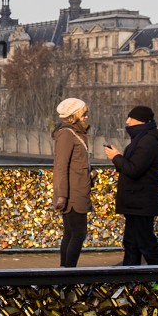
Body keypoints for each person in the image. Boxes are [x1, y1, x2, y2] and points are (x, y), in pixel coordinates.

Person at [103, 105, 158, 266]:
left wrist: (116, 157)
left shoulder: (147, 141)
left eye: (130, 118)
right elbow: (134, 165)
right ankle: (131, 281)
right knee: (132, 244)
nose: (127, 121)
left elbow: (134, 169)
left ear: (139, 120)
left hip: (140, 202)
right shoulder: (141, 140)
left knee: (146, 244)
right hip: (135, 201)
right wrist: (118, 158)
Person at [51, 97, 92, 268]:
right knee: (78, 233)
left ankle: (65, 273)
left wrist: (90, 172)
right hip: (73, 193)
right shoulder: (67, 134)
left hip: (77, 189)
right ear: (75, 115)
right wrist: (62, 195)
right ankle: (69, 274)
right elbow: (61, 166)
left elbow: (75, 164)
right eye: (84, 114)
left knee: (71, 233)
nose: (86, 117)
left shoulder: (73, 133)